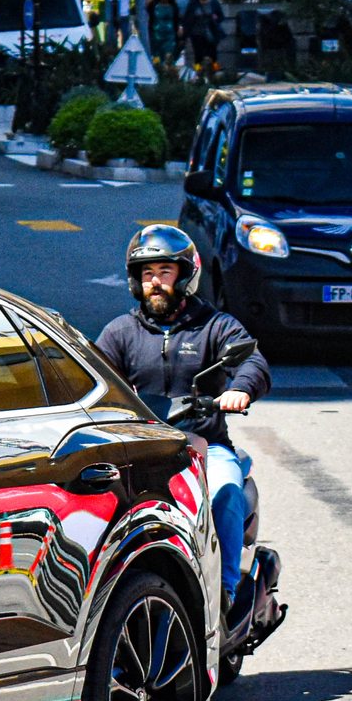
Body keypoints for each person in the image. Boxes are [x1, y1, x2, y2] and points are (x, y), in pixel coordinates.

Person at [93, 224, 272, 614]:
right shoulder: (120, 332)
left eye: (164, 272)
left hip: (206, 446)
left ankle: (222, 595)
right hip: (144, 448)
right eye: (147, 274)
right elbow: (93, 375)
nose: (155, 283)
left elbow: (252, 361)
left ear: (186, 276)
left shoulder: (214, 326)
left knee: (224, 494)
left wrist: (239, 388)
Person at [184, 0, 225, 74]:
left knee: (213, 55)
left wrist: (215, 19)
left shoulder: (214, 2)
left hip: (211, 32)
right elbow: (187, 18)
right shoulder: (193, 3)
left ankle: (214, 72)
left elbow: (221, 16)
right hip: (197, 33)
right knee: (198, 55)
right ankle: (198, 72)